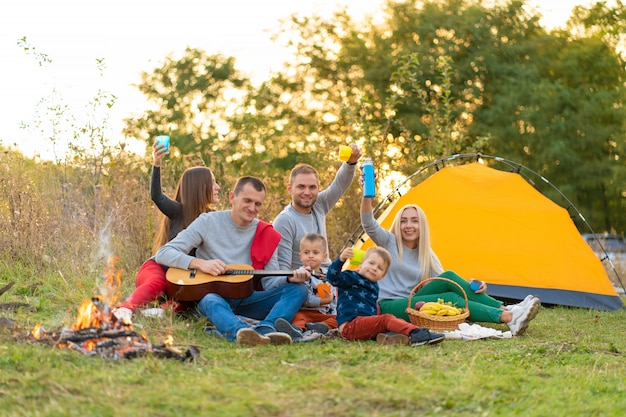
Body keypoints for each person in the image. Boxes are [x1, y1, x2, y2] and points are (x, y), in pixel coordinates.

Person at [155, 176, 311, 346]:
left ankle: (265, 330)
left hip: (247, 298)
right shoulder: (207, 222)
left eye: (258, 204)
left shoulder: (266, 233)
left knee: (299, 290)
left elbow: (270, 282)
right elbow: (164, 253)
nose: (252, 208)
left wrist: (289, 278)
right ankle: (240, 333)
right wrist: (200, 263)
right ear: (232, 197)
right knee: (209, 300)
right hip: (214, 297)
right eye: (247, 201)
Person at [361, 194, 541, 336]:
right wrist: (367, 194)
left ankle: (506, 308)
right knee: (451, 299)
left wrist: (477, 286)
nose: (409, 225)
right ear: (398, 224)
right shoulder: (389, 242)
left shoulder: (425, 254)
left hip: (414, 301)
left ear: (421, 225)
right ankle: (508, 317)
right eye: (404, 220)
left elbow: (449, 283)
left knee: (449, 276)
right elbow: (368, 223)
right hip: (389, 305)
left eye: (414, 220)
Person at [113, 138, 220, 321]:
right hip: (158, 268)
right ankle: (124, 309)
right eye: (212, 182)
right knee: (158, 283)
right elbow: (157, 196)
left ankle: (160, 312)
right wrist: (157, 164)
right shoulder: (178, 210)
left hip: (184, 276)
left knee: (195, 292)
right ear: (200, 188)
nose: (218, 187)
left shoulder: (215, 218)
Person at [325, 246, 445, 346]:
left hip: (363, 324)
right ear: (361, 264)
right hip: (350, 326)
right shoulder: (350, 277)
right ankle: (417, 333)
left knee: (393, 321)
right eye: (371, 263)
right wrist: (340, 260)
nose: (374, 268)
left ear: (383, 275)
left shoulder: (374, 285)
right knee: (386, 319)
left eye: (379, 268)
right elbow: (332, 277)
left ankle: (392, 338)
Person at [272, 143, 362, 270]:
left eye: (312, 187)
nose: (307, 192)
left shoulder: (318, 205)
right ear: (289, 189)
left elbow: (339, 185)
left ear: (318, 188)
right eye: (301, 187)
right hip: (305, 282)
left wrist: (350, 163)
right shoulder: (285, 220)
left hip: (328, 276)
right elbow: (283, 269)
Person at [274, 233, 338, 337]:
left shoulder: (328, 275)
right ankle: (296, 329)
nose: (311, 255)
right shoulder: (301, 274)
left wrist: (333, 311)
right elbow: (305, 299)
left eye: (315, 252)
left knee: (338, 319)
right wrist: (323, 301)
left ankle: (320, 327)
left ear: (324, 256)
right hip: (305, 311)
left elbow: (333, 299)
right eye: (306, 252)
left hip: (322, 314)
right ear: (300, 256)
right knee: (298, 317)